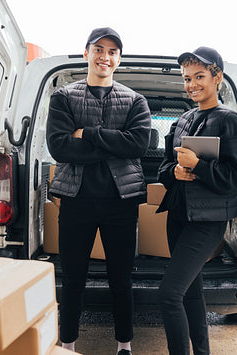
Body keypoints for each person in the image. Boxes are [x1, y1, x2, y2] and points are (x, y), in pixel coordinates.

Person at [46, 27, 151, 355]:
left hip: (120, 203)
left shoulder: (135, 100)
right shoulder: (63, 97)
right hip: (76, 201)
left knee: (120, 277)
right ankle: (68, 344)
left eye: (112, 52)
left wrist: (88, 134)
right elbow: (60, 149)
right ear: (86, 53)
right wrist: (116, 143)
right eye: (99, 49)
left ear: (119, 59)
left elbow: (141, 144)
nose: (105, 57)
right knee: (73, 277)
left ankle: (124, 345)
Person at [156, 47, 237, 355]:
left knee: (168, 294)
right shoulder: (183, 120)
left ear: (217, 77)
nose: (192, 84)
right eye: (187, 78)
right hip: (179, 217)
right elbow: (162, 169)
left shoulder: (229, 122)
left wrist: (198, 166)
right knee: (189, 293)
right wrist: (175, 170)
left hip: (208, 221)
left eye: (199, 76)